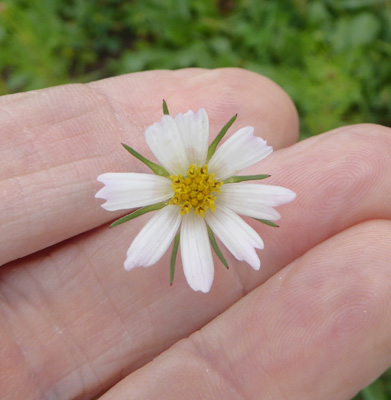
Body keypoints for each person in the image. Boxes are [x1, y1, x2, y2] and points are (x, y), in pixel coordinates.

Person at [0, 68, 390, 400]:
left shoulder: (213, 186)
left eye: (198, 188)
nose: (196, 189)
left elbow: (242, 210)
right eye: (194, 188)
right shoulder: (177, 185)